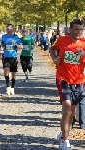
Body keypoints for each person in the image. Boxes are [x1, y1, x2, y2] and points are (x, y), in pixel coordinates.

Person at [50, 19, 85, 150]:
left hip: (79, 81)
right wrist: (54, 58)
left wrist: (83, 54)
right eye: (76, 29)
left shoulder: (84, 43)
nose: (78, 32)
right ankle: (65, 142)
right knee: (67, 110)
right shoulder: (62, 40)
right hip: (63, 78)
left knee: (72, 113)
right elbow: (52, 49)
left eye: (81, 29)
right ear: (70, 29)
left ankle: (63, 134)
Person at [1, 24, 23, 95]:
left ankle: (12, 87)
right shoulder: (4, 37)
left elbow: (21, 47)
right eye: (8, 29)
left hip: (13, 57)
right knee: (6, 71)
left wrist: (16, 44)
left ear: (13, 30)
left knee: (13, 74)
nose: (9, 31)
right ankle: (8, 86)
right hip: (6, 57)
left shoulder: (16, 37)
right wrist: (3, 47)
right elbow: (2, 45)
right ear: (6, 30)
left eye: (10, 29)